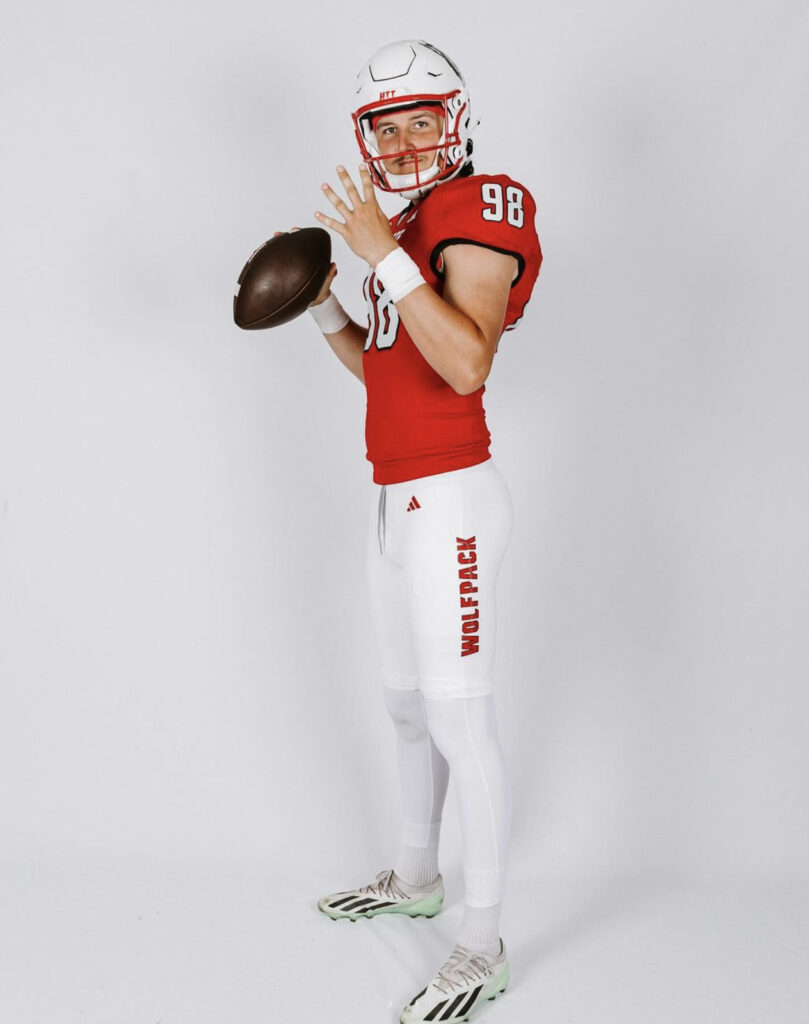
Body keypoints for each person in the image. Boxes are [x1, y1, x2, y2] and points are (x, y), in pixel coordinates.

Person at [305, 39, 542, 1024]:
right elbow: (397, 366)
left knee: (456, 716)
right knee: (403, 704)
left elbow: (466, 363)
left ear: (455, 120)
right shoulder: (399, 229)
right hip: (393, 495)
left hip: (449, 497)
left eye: (418, 119)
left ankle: (479, 940)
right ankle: (416, 875)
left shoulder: (480, 205)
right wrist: (325, 307)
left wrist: (379, 256)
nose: (402, 141)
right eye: (383, 126)